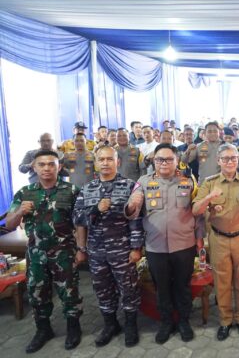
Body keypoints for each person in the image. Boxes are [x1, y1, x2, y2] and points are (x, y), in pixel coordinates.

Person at [125, 143, 204, 344]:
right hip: (155, 246)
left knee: (182, 286)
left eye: (169, 159)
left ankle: (184, 321)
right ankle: (166, 322)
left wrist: (200, 238)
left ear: (177, 161)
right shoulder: (143, 182)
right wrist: (131, 205)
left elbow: (199, 213)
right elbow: (133, 211)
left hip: (184, 245)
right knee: (161, 288)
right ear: (154, 161)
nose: (164, 163)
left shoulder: (189, 181)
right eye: (160, 159)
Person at [5, 150, 83, 353]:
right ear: (34, 167)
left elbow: (82, 224)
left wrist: (82, 249)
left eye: (51, 164)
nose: (47, 168)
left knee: (69, 291)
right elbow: (10, 224)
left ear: (60, 167)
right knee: (37, 293)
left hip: (64, 252)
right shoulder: (25, 192)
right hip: (36, 253)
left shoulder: (72, 190)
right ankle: (43, 330)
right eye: (42, 164)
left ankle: (73, 327)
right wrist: (20, 211)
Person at [73, 146, 143, 347]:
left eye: (109, 159)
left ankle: (130, 325)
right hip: (97, 251)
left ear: (117, 162)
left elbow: (136, 220)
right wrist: (95, 209)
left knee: (128, 287)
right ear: (95, 163)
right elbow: (77, 219)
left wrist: (136, 247)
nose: (105, 163)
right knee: (103, 289)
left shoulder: (130, 186)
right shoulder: (87, 189)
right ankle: (110, 324)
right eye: (101, 159)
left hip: (123, 249)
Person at [192, 144, 239, 341]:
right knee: (222, 282)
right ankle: (225, 320)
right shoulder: (210, 183)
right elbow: (196, 210)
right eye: (226, 158)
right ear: (218, 161)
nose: (230, 162)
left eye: (234, 158)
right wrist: (209, 199)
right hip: (218, 238)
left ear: (238, 159)